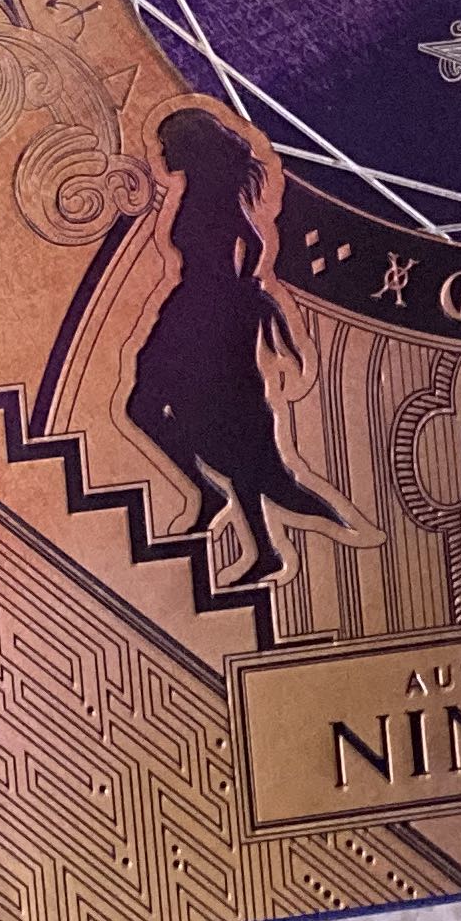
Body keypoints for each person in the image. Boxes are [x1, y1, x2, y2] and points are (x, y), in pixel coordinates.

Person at [126, 109, 341, 585]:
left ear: (190, 146)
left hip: (208, 313)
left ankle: (262, 548)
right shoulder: (202, 189)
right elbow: (253, 243)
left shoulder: (213, 194)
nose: (160, 152)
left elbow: (255, 243)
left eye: (167, 143)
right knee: (145, 406)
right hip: (193, 307)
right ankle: (209, 494)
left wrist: (240, 295)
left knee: (230, 428)